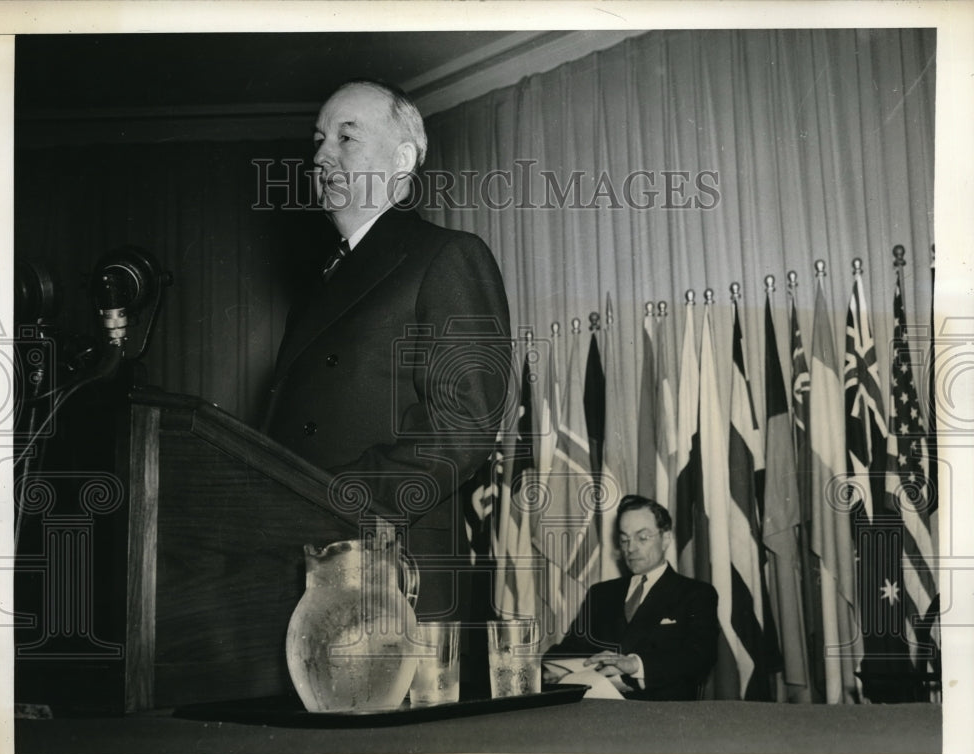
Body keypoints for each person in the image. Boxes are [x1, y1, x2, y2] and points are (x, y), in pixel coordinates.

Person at [262, 79, 511, 628]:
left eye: (346, 138)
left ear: (401, 161)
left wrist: (332, 500)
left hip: (390, 574)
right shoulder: (317, 289)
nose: (321, 154)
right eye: (319, 138)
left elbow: (465, 425)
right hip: (303, 568)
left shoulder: (446, 257)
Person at [544, 495, 719, 700]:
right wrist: (553, 669)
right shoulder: (601, 593)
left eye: (642, 538)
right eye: (624, 539)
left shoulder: (695, 593)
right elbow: (570, 649)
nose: (631, 548)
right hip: (596, 711)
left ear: (666, 539)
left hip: (663, 715)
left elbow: (699, 658)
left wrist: (636, 665)